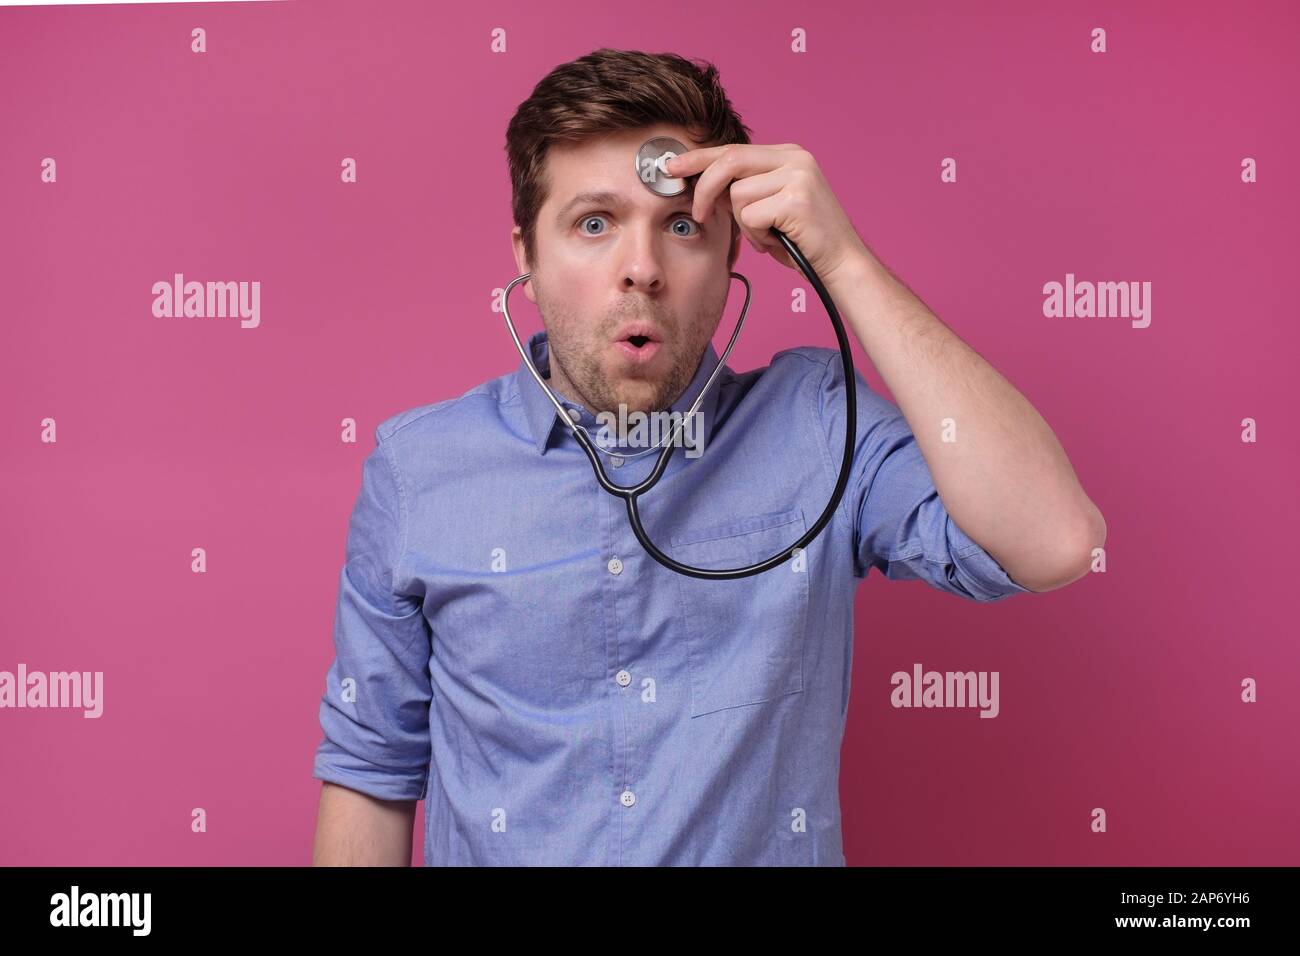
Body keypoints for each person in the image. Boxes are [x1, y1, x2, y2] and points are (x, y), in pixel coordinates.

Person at [311, 48, 1106, 866]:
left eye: (682, 226)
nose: (642, 270)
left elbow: (1054, 541)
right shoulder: (420, 470)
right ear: (526, 254)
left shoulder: (815, 423)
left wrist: (845, 261)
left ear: (732, 258)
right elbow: (371, 773)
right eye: (593, 223)